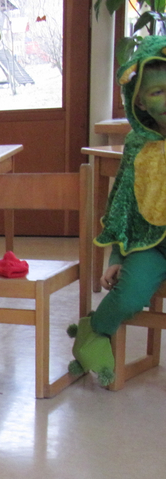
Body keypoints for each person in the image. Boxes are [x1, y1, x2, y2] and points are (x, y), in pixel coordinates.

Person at [68, 38, 166, 385]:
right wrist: (116, 256)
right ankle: (93, 331)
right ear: (139, 100)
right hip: (150, 245)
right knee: (128, 295)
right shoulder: (138, 145)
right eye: (158, 92)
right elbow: (122, 205)